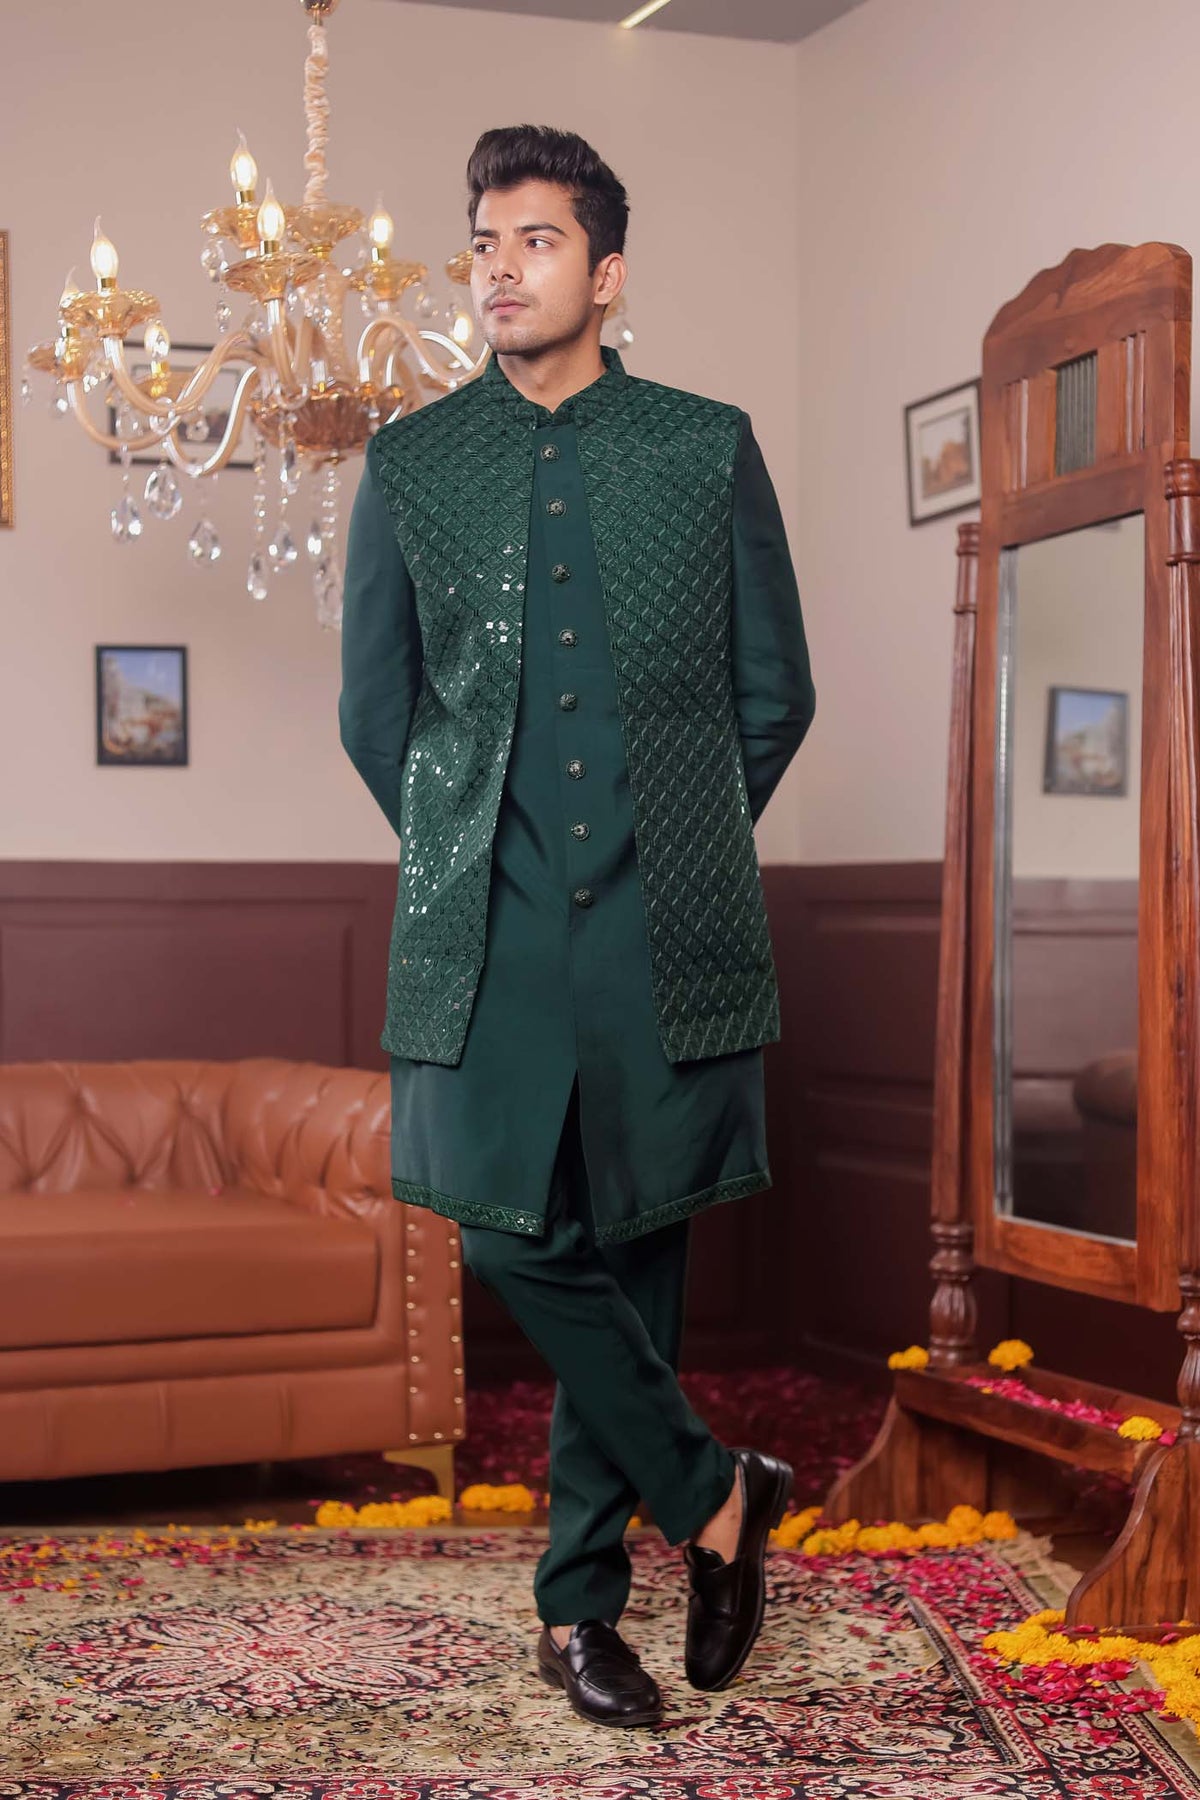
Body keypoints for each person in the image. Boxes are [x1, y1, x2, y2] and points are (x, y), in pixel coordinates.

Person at [339, 123, 816, 1729]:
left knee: (635, 1259)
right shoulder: (413, 462)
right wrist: (473, 847)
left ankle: (578, 1616)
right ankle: (718, 1496)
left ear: (606, 273)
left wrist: (674, 840)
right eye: (483, 242)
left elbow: (774, 695)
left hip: (664, 932)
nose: (498, 268)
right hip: (482, 929)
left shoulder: (704, 446)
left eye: (533, 240)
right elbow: (376, 712)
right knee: (505, 1233)